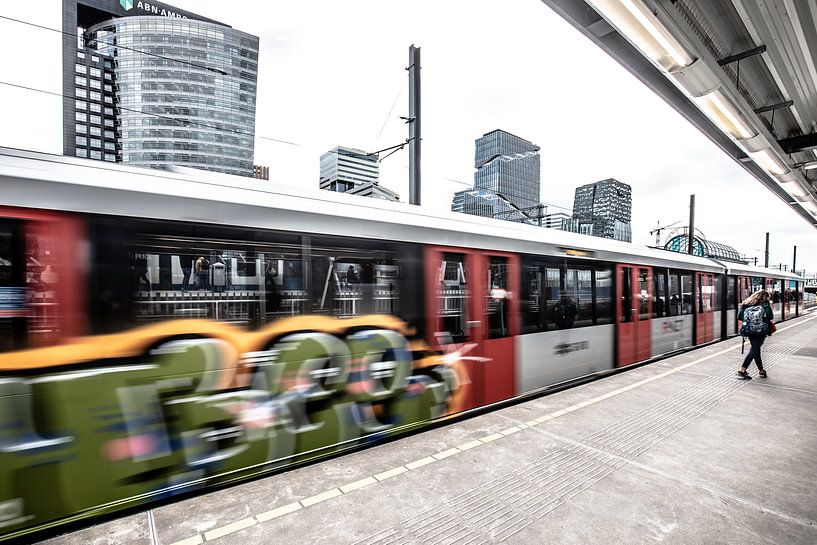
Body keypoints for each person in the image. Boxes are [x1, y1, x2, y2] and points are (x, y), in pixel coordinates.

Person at [737, 290, 774, 379]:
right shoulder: (764, 304)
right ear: (765, 297)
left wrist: (750, 320)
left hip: (749, 330)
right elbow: (770, 316)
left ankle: (761, 370)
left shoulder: (746, 303)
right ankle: (742, 370)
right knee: (755, 349)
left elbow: (740, 317)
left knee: (756, 349)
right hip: (761, 331)